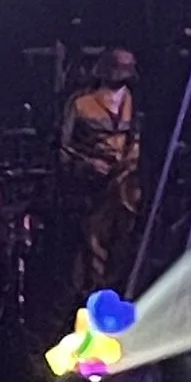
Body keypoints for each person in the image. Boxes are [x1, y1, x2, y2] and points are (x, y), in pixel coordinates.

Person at [59, 44, 142, 303]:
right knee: (94, 238)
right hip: (94, 184)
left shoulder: (134, 102)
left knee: (125, 236)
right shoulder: (81, 104)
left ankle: (117, 286)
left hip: (128, 182)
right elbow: (64, 148)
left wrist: (130, 161)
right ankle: (93, 289)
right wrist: (87, 166)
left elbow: (138, 137)